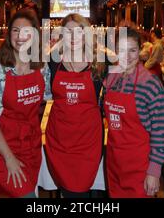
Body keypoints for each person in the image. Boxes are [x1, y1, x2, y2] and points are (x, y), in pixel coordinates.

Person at [0, 10, 52, 198]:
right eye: (15, 30)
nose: (21, 37)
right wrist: (9, 158)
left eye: (27, 32)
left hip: (30, 144)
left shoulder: (42, 68)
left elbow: (46, 100)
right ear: (9, 34)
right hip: (2, 147)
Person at [102, 28, 164, 197]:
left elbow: (161, 132)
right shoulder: (112, 79)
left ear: (140, 50)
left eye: (132, 50)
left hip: (139, 168)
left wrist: (154, 172)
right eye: (122, 50)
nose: (127, 56)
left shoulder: (150, 84)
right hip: (114, 163)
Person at [45, 13, 106, 198]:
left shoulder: (100, 64)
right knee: (69, 191)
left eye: (79, 31)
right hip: (60, 141)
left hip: (88, 142)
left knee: (80, 190)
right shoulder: (52, 62)